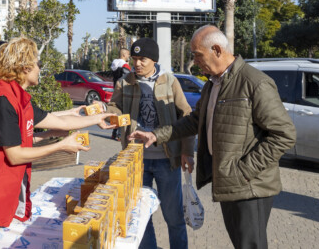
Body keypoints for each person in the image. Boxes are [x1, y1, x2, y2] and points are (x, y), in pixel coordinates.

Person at [0, 37, 116, 248]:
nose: (40, 69)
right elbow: (15, 155)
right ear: (24, 67)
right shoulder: (0, 97)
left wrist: (97, 119)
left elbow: (58, 120)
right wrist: (61, 145)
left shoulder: (18, 98)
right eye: (38, 64)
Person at [128, 26, 296, 249]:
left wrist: (243, 172)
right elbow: (193, 122)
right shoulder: (213, 84)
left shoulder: (254, 83)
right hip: (230, 182)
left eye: (198, 55)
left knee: (251, 245)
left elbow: (284, 135)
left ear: (217, 50)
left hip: (250, 186)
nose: (195, 61)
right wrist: (155, 135)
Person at [107, 38, 194, 249]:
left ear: (153, 60)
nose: (137, 64)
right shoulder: (124, 82)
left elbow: (187, 115)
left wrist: (187, 151)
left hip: (167, 159)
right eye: (135, 59)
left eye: (142, 59)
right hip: (136, 160)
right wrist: (108, 114)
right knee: (140, 217)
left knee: (173, 217)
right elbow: (114, 108)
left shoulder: (170, 81)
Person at [110, 47, 132, 140]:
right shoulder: (125, 66)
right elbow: (129, 78)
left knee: (117, 111)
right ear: (124, 55)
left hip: (116, 90)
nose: (129, 56)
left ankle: (114, 133)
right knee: (123, 112)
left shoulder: (114, 64)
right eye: (128, 54)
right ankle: (119, 135)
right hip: (124, 90)